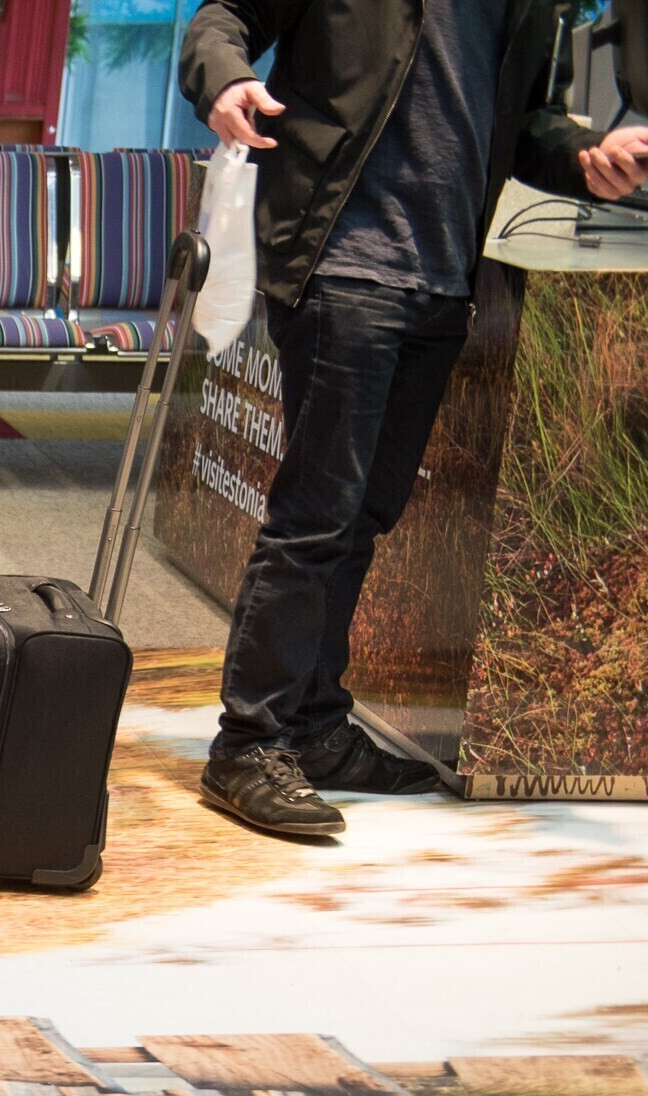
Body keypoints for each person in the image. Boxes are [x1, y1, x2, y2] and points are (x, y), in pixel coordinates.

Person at [182, 0, 648, 836]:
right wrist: (223, 81)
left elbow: (526, 125)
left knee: (363, 516)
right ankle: (248, 743)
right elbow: (223, 20)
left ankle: (314, 727)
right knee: (316, 517)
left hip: (442, 281)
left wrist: (587, 158)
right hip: (345, 261)